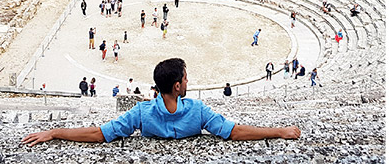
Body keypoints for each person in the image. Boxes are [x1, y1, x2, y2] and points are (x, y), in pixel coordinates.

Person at [21, 58, 300, 146]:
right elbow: (234, 131)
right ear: (177, 86)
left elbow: (99, 133)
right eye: (186, 79)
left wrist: (56, 132)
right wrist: (278, 131)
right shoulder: (198, 110)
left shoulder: (141, 113)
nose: (188, 83)